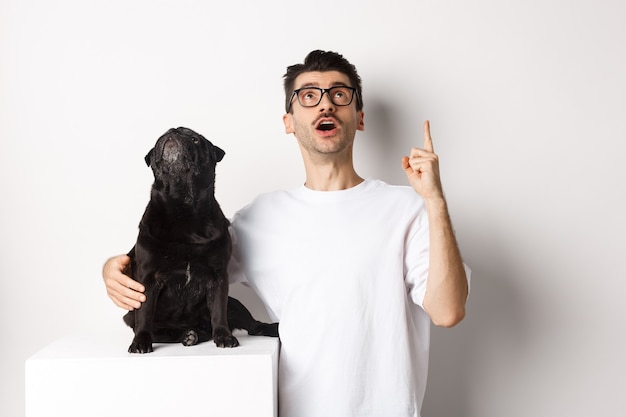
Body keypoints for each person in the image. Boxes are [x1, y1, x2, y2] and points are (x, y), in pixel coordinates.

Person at [103, 50, 469, 417]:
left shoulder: (408, 207)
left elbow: (448, 310)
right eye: (309, 96)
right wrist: (113, 268)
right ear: (289, 121)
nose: (325, 105)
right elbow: (179, 266)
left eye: (339, 94)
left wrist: (435, 201)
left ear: (359, 117)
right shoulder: (257, 218)